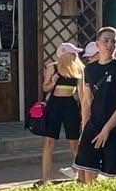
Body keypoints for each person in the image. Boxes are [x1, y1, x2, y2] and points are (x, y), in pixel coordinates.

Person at [73, 27, 116, 181]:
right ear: (97, 44)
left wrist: (107, 129)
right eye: (106, 41)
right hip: (94, 125)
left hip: (115, 126)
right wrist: (85, 128)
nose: (110, 44)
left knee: (113, 175)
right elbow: (87, 101)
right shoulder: (90, 69)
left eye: (113, 41)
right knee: (88, 170)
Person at [38, 43, 90, 183]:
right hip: (54, 104)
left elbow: (82, 93)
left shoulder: (78, 68)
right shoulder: (52, 67)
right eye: (72, 53)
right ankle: (45, 178)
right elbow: (45, 88)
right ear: (64, 54)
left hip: (70, 105)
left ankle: (81, 176)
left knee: (74, 142)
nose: (75, 56)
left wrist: (84, 111)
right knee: (48, 142)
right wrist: (52, 81)